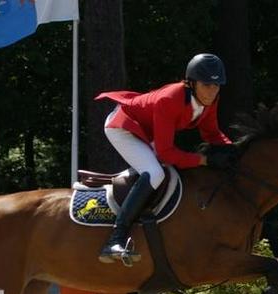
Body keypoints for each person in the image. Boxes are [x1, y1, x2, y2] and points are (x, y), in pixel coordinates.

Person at [94, 53, 237, 263]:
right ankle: (115, 239)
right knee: (155, 173)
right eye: (207, 85)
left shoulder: (209, 99)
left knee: (166, 173)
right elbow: (166, 153)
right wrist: (203, 160)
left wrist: (234, 150)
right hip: (123, 128)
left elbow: (212, 133)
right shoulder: (170, 99)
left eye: (217, 86)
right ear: (191, 83)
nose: (212, 91)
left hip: (148, 133)